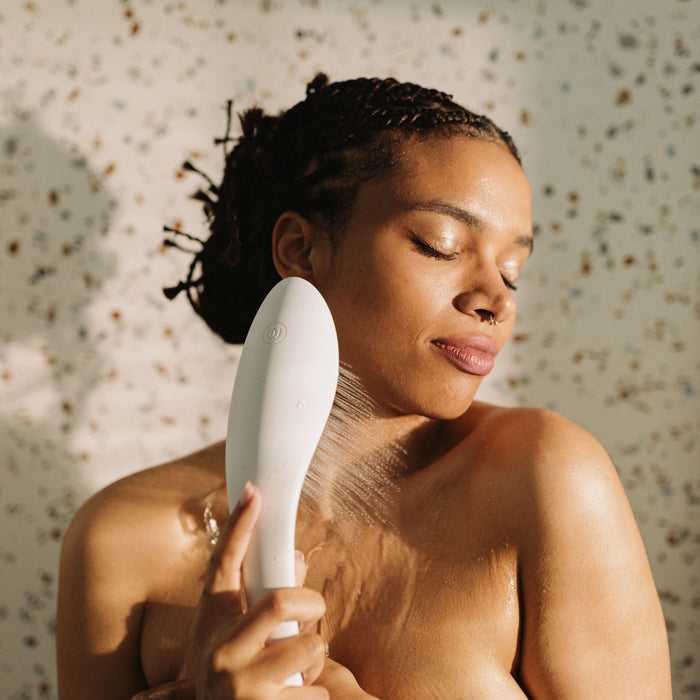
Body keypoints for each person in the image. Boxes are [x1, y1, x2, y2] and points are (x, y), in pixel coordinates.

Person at [56, 74, 672, 699]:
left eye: (513, 271)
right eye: (442, 245)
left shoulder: (542, 478)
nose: (495, 300)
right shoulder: (121, 543)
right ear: (300, 249)